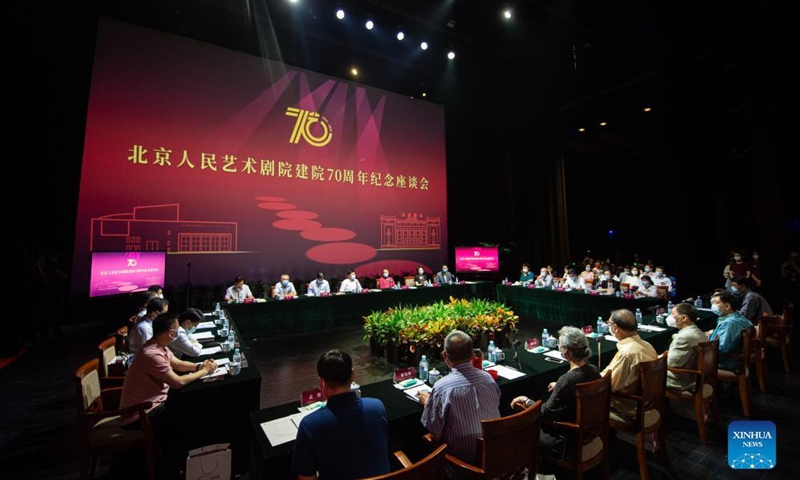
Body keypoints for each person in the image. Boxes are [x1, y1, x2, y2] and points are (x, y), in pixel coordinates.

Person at [120, 312, 218, 479]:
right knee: (192, 414)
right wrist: (203, 371)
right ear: (171, 333)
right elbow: (177, 382)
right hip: (140, 414)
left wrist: (199, 366)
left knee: (189, 403)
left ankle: (181, 459)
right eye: (177, 329)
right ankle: (177, 465)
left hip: (151, 404)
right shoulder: (152, 354)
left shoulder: (158, 346)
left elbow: (178, 365)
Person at [510, 326, 600, 480]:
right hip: (590, 432)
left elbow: (545, 413)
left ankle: (534, 474)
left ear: (565, 350)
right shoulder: (593, 370)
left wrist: (526, 400)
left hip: (568, 439)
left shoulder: (567, 380)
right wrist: (558, 385)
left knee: (523, 426)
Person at [292, 350, 390, 480]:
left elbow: (306, 478)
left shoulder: (310, 424)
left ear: (321, 383)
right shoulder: (377, 407)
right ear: (353, 375)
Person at [418, 330, 501, 478]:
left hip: (461, 468)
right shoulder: (488, 379)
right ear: (471, 355)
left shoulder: (441, 388)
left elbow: (435, 434)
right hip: (493, 460)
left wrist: (427, 403)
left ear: (445, 356)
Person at [601, 309, 658, 419]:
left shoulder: (627, 353)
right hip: (649, 400)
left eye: (608, 324)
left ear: (615, 328)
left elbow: (611, 384)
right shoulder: (647, 345)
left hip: (629, 406)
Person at [665, 303, 709, 391]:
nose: (670, 318)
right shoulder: (699, 332)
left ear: (684, 318)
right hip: (697, 376)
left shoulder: (682, 338)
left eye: (673, 315)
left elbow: (671, 363)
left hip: (681, 381)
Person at [707, 291, 754, 371]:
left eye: (716, 303)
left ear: (727, 306)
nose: (713, 305)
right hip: (735, 358)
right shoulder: (737, 316)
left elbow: (721, 348)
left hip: (726, 361)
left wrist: (705, 341)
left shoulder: (729, 323)